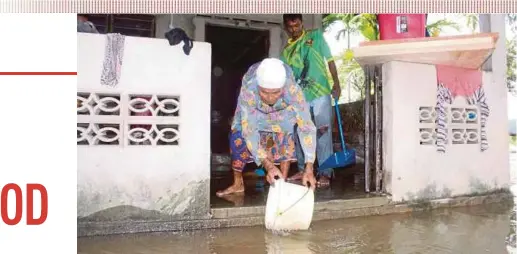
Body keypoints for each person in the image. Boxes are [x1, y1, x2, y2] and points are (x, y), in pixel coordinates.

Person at [216, 58, 317, 197]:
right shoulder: (249, 89)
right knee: (238, 135)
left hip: (282, 112)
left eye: (275, 92)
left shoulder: (293, 91)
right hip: (255, 112)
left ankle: (282, 182)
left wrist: (309, 167)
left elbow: (306, 126)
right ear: (258, 87)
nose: (270, 98)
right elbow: (249, 130)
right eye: (264, 92)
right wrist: (268, 165)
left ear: (283, 88)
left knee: (284, 134)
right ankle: (238, 183)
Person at [280, 14, 342, 187]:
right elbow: (287, 77)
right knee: (299, 132)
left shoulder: (315, 36)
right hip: (299, 98)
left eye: (297, 26)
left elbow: (330, 60)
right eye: (291, 27)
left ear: (302, 23)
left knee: (323, 131)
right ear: (286, 27)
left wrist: (336, 83)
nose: (294, 30)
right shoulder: (286, 51)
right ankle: (302, 169)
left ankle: (325, 172)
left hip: (321, 91)